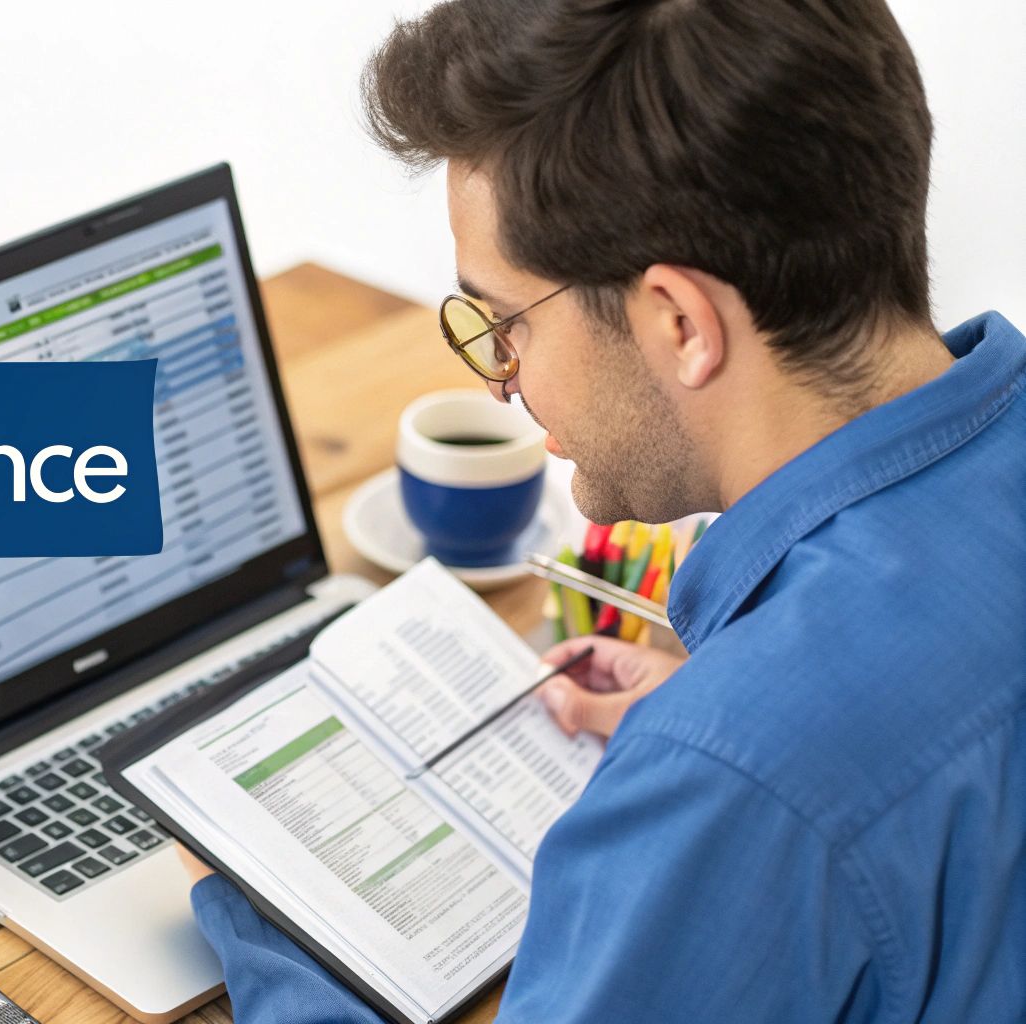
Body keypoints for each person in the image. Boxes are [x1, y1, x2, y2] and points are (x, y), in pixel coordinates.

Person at [179, 0, 1026, 1020]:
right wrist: (720, 719)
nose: (498, 380)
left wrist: (270, 919)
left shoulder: (737, 775)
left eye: (503, 324)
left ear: (677, 322)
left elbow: (798, 775)